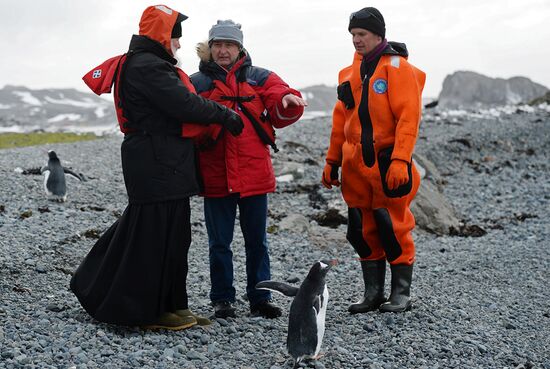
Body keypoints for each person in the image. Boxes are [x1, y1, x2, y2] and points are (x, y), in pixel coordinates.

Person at [71, 5, 244, 330]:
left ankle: (170, 307)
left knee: (166, 235)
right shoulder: (147, 66)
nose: (178, 45)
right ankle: (142, 309)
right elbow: (183, 103)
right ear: (163, 36)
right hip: (156, 160)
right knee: (154, 238)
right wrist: (225, 115)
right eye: (175, 38)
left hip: (161, 160)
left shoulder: (145, 63)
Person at [189, 20, 307, 319]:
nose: (223, 50)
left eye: (229, 45)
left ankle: (260, 297)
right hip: (215, 176)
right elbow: (180, 110)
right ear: (210, 48)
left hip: (254, 176)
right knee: (219, 244)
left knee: (257, 242)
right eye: (217, 45)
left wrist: (287, 100)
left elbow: (280, 95)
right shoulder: (196, 82)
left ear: (239, 48)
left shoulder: (259, 77)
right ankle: (222, 299)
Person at [322, 7, 425, 313]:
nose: (356, 40)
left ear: (378, 34)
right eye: (353, 34)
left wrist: (400, 160)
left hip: (386, 162)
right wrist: (332, 161)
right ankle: (373, 293)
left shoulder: (398, 69)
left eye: (362, 34)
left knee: (391, 226)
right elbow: (341, 119)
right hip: (355, 165)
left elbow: (409, 118)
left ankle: (401, 293)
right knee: (361, 229)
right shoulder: (349, 73)